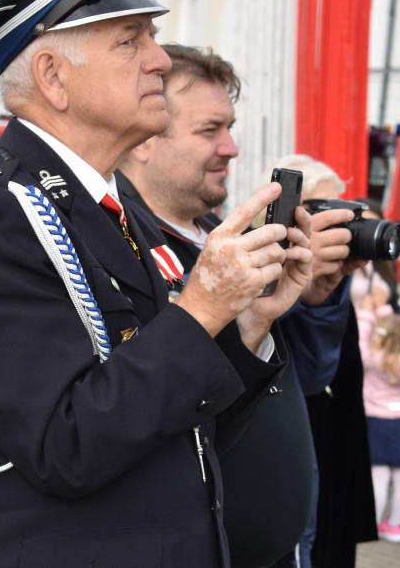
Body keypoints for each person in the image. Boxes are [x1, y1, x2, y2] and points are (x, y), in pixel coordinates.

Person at [0, 0, 313, 567]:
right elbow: (63, 449)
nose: (158, 58)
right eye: (131, 40)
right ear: (53, 76)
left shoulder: (110, 203)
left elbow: (180, 430)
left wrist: (245, 324)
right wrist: (202, 308)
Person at [116, 44, 317, 567]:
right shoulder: (119, 250)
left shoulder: (228, 243)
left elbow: (310, 377)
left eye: (230, 127)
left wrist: (317, 298)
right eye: (210, 130)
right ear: (144, 140)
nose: (230, 148)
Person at [268, 154, 379, 568]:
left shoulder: (335, 276)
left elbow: (320, 369)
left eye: (342, 210)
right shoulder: (265, 268)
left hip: (333, 416)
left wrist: (324, 291)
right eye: (321, 212)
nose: (337, 225)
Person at [358, 311, 400, 544]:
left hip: (378, 422)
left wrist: (368, 315)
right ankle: (395, 526)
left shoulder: (377, 358)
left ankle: (372, 524)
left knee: (379, 478)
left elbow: (362, 343)